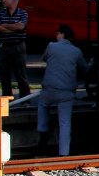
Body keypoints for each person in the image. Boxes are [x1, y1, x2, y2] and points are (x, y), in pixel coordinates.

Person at [37, 24, 87, 156]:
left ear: (62, 34)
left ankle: (43, 133)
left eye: (57, 33)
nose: (56, 35)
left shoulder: (51, 46)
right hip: (66, 92)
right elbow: (84, 68)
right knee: (65, 123)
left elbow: (44, 58)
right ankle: (64, 153)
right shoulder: (76, 51)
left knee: (42, 105)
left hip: (48, 89)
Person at [0, 0, 31, 99]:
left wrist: (4, 25)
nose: (3, 0)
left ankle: (24, 99)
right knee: (4, 75)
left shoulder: (22, 13)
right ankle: (7, 99)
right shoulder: (0, 13)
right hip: (4, 47)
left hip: (18, 47)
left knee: (21, 74)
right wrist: (12, 28)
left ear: (14, 0)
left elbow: (21, 26)